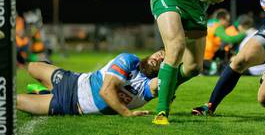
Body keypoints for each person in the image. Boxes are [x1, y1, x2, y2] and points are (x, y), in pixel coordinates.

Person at [17, 49, 165, 116]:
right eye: (159, 53)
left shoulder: (147, 88)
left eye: (162, 61)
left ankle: (44, 93)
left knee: (14, 101)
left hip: (69, 105)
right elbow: (105, 91)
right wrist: (127, 113)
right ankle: (46, 90)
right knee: (32, 67)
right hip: (73, 81)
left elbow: (175, 75)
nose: (158, 57)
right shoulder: (129, 60)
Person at [203, 8, 246, 75]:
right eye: (227, 21)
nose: (228, 23)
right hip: (207, 57)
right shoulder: (217, 26)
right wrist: (244, 34)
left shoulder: (210, 22)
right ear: (222, 19)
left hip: (201, 55)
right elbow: (228, 39)